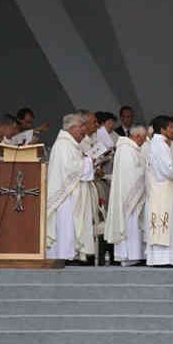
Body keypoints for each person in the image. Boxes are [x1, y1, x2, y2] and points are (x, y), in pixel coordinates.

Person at [44, 112, 96, 263]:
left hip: (71, 194)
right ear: (72, 127)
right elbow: (71, 170)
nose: (84, 130)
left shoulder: (70, 144)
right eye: (81, 126)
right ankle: (65, 256)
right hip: (65, 197)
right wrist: (89, 162)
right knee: (66, 227)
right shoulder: (63, 145)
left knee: (70, 227)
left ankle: (70, 254)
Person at [104, 125, 148, 265]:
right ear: (137, 136)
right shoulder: (126, 150)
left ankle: (134, 256)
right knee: (129, 225)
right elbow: (131, 175)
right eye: (143, 138)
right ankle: (128, 256)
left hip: (132, 196)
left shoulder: (130, 149)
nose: (144, 142)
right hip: (129, 196)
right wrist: (147, 172)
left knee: (133, 226)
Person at [143, 116, 173, 268]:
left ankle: (161, 258)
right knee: (164, 225)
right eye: (172, 128)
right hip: (162, 192)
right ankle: (164, 259)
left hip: (160, 191)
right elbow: (168, 170)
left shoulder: (159, 144)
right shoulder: (160, 145)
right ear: (163, 129)